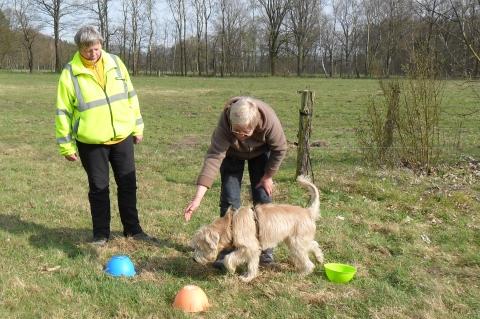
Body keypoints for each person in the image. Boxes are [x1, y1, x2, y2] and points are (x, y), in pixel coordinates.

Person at [55, 25, 156, 246]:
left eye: (97, 48)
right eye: (88, 50)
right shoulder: (70, 73)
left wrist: (138, 127)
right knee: (99, 189)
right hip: (91, 143)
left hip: (122, 136)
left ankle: (134, 230)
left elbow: (131, 96)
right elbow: (63, 111)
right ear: (79, 48)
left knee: (128, 185)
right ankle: (101, 235)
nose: (94, 53)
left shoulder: (116, 63)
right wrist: (66, 145)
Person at [184, 96, 287, 266]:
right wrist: (197, 199)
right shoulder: (225, 125)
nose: (240, 136)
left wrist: (268, 176)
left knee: (263, 199)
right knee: (230, 201)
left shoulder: (269, 120)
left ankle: (266, 251)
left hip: (261, 153)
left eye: (245, 132)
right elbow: (213, 158)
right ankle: (229, 250)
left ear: (255, 125)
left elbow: (280, 148)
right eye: (236, 131)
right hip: (232, 156)